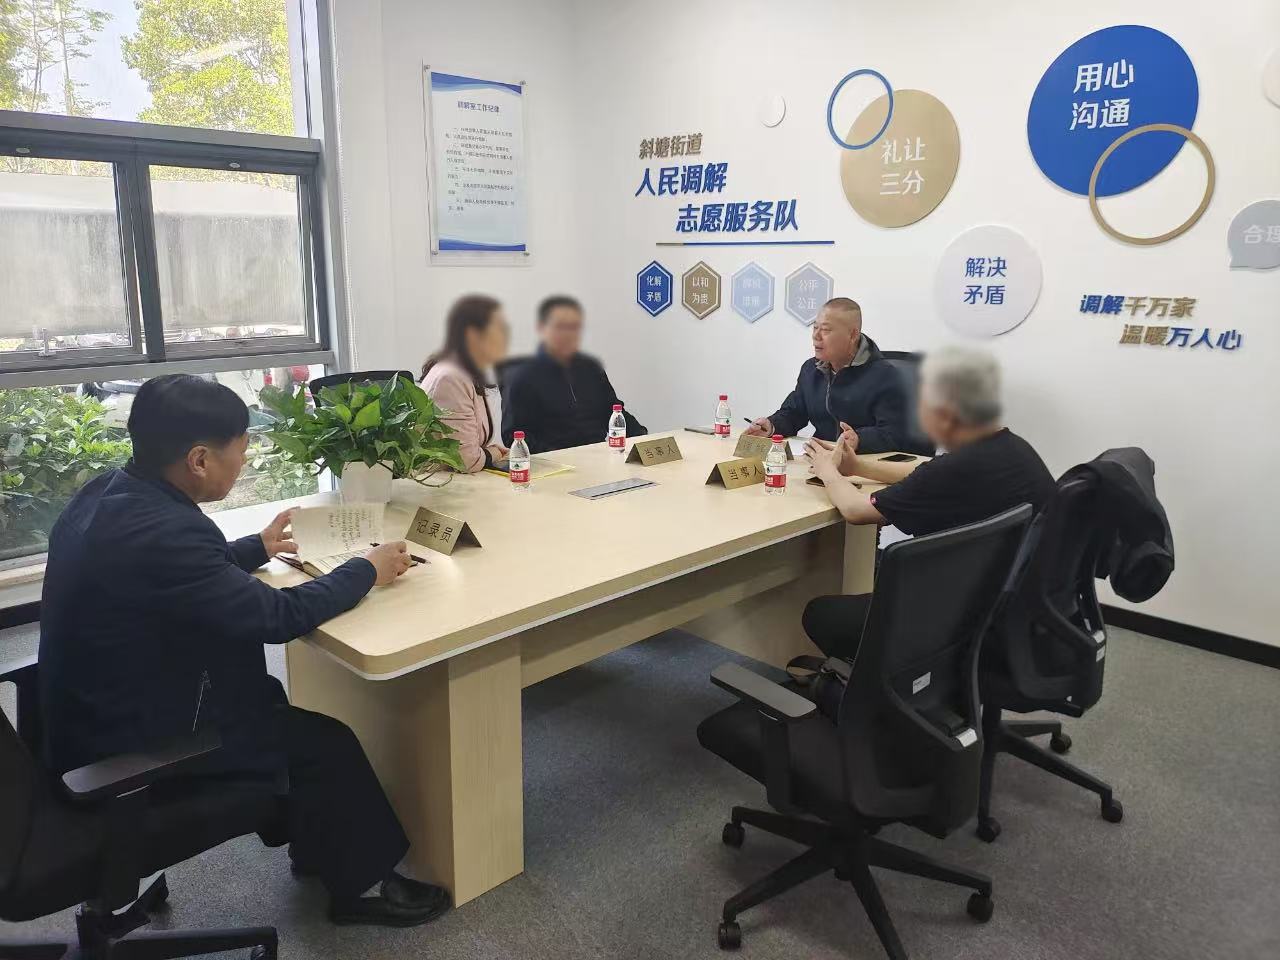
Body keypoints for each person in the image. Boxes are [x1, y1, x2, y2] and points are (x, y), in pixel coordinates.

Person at [38, 374, 449, 928]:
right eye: (241, 448)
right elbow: (277, 618)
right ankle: (364, 887)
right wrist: (365, 570)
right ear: (199, 460)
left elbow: (167, 574)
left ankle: (320, 844)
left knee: (268, 697)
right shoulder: (167, 532)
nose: (246, 459)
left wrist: (255, 547)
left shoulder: (109, 493)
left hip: (82, 719)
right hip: (129, 752)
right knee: (324, 743)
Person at [800, 345, 1056, 658]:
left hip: (956, 615)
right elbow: (925, 471)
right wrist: (856, 466)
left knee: (821, 614)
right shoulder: (1009, 448)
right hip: (1012, 602)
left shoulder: (955, 469)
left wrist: (827, 472)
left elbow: (855, 510)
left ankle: (872, 682)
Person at [744, 297, 907, 452]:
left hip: (862, 463)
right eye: (815, 328)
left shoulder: (885, 376)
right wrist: (771, 426)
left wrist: (859, 439)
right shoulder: (811, 369)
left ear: (853, 335)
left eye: (826, 330)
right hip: (819, 458)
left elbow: (895, 433)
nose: (816, 336)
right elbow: (794, 412)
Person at [501, 295, 647, 452]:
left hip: (598, 456)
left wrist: (643, 438)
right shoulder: (523, 376)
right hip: (553, 461)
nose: (569, 333)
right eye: (561, 326)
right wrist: (559, 455)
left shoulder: (591, 367)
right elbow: (512, 435)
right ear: (541, 328)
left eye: (574, 327)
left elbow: (613, 411)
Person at [420, 295, 511, 472]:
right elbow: (466, 460)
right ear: (472, 334)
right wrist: (493, 453)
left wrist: (489, 453)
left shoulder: (465, 372)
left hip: (456, 479)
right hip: (438, 483)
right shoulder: (450, 378)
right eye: (499, 328)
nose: (505, 336)